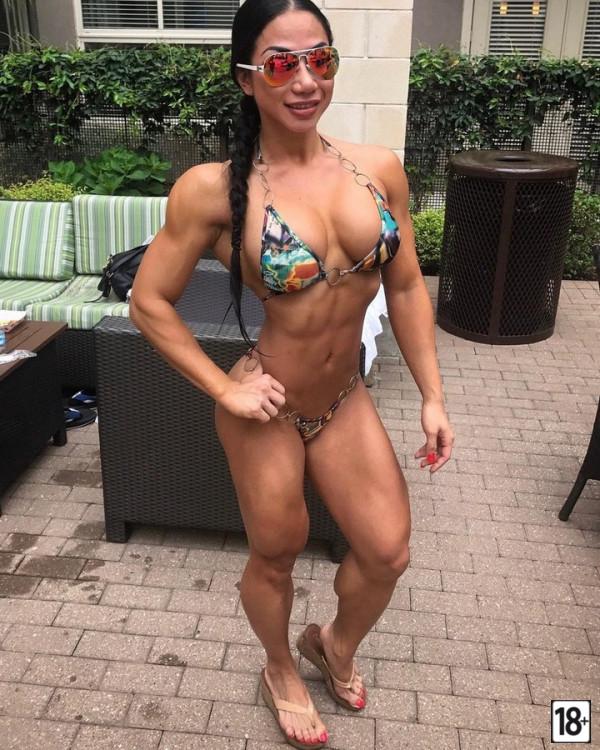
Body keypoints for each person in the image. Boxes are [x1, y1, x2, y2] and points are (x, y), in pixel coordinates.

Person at [130, 0, 454, 746]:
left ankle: (332, 644)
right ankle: (279, 667)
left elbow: (407, 285)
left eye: (320, 59)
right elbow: (149, 302)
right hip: (267, 406)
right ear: (247, 79)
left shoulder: (377, 170)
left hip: (342, 398)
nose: (305, 80)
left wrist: (433, 396)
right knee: (276, 552)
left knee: (387, 551)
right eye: (281, 64)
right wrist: (225, 387)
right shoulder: (213, 190)